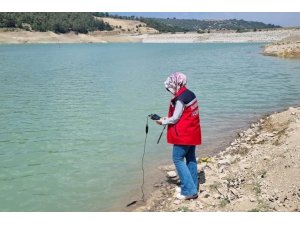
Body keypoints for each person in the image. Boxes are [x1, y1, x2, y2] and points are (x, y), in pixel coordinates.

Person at [156, 72, 202, 200]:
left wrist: (163, 121)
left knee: (177, 159)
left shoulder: (180, 99)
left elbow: (175, 118)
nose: (170, 91)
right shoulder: (190, 94)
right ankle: (193, 186)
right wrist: (167, 118)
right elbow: (183, 115)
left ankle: (189, 191)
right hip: (192, 132)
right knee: (191, 158)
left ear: (176, 84)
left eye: (170, 88)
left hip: (184, 134)